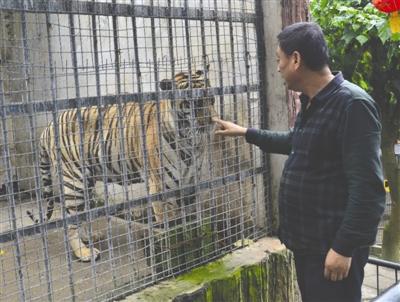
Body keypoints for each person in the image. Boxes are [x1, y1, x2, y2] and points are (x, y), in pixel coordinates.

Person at [213, 22, 386, 302]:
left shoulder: (353, 105)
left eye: (280, 60)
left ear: (296, 60)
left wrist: (343, 249)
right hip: (309, 246)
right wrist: (247, 133)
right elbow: (296, 142)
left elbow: (368, 190)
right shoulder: (313, 101)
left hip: (330, 250)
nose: (278, 68)